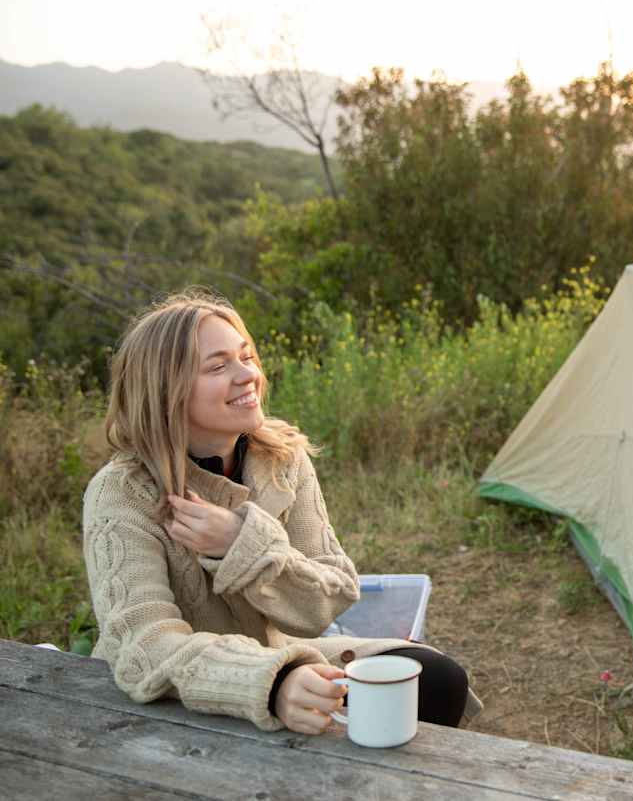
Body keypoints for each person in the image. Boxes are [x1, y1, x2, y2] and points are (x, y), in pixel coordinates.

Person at [83, 289, 479, 734]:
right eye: (217, 366)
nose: (247, 375)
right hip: (177, 691)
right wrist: (272, 682)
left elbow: (325, 604)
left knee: (440, 681)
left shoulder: (282, 457)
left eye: (246, 356)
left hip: (280, 653)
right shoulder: (121, 493)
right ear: (164, 392)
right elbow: (144, 645)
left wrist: (243, 546)